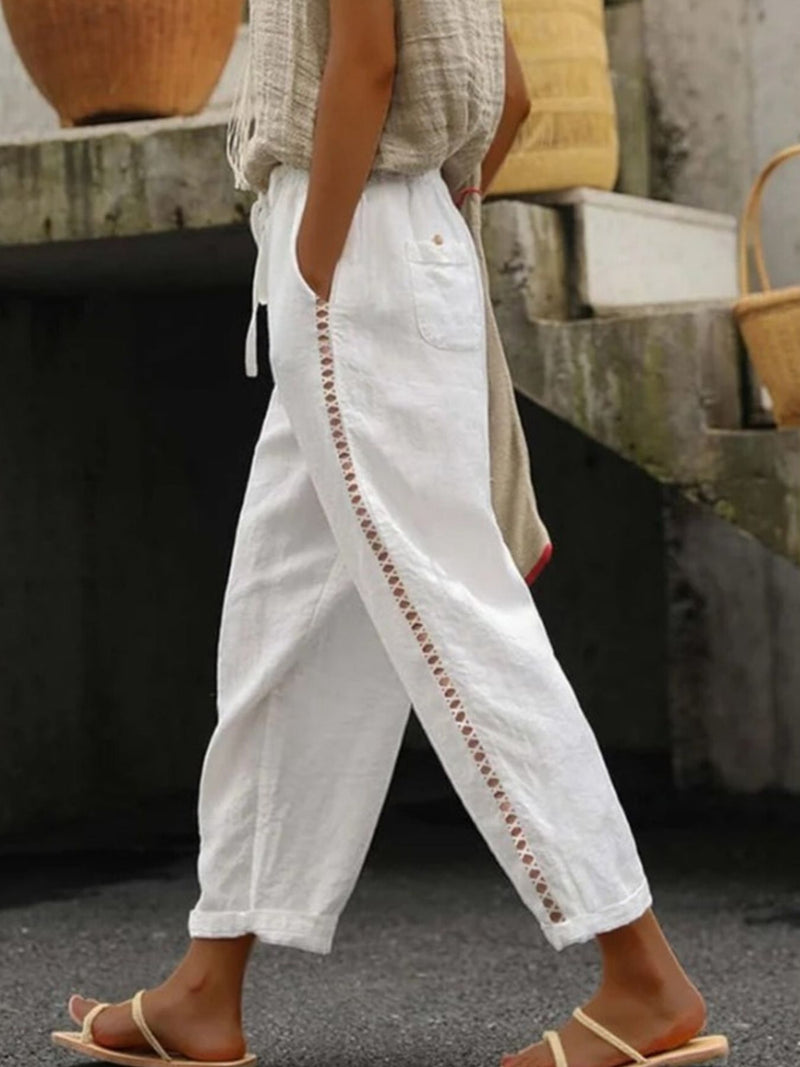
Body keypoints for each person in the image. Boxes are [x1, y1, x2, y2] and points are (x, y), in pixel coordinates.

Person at [52, 1, 730, 1065]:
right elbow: (503, 92)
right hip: (387, 243)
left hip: (348, 259)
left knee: (453, 622)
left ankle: (642, 975)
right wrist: (406, 234)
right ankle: (205, 983)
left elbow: (365, 62)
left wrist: (320, 263)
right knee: (280, 627)